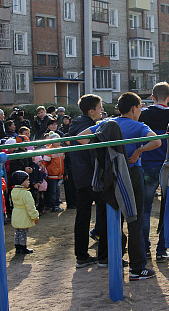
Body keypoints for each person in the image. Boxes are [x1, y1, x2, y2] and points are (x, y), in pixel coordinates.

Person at [78, 92, 161, 281]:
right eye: (139, 108)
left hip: (111, 175)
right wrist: (139, 150)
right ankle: (137, 268)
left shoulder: (108, 123)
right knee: (135, 220)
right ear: (134, 108)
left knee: (115, 219)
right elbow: (157, 141)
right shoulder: (139, 126)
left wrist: (105, 152)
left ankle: (112, 259)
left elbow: (80, 138)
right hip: (131, 173)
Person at [138, 81, 169, 263]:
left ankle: (145, 248)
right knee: (167, 208)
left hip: (147, 165)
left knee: (145, 209)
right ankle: (162, 249)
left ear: (152, 97)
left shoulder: (142, 116)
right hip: (168, 167)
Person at [68, 94, 108, 268]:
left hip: (79, 177)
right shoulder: (89, 127)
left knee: (82, 216)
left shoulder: (75, 125)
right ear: (91, 111)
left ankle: (81, 256)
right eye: (100, 107)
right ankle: (105, 256)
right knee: (106, 212)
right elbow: (93, 154)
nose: (102, 110)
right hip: (92, 176)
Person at [10, 170, 39, 254]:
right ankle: (23, 247)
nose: (28, 182)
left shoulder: (14, 191)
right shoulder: (26, 193)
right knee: (23, 232)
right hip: (24, 214)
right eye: (26, 180)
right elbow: (30, 207)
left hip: (16, 213)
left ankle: (17, 247)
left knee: (17, 232)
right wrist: (35, 217)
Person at [42, 132, 65, 212]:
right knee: (53, 191)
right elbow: (45, 163)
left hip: (60, 174)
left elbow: (63, 160)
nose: (58, 143)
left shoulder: (62, 150)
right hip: (52, 174)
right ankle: (53, 205)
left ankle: (57, 204)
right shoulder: (49, 151)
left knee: (58, 190)